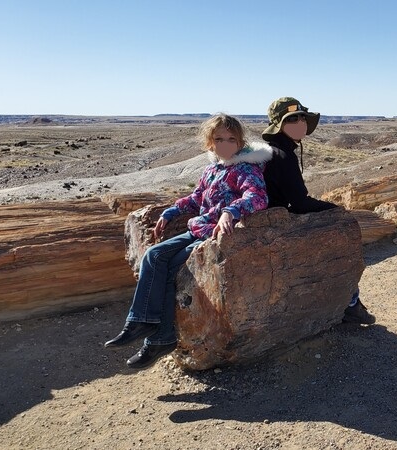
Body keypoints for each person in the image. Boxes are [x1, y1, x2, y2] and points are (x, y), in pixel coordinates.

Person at [104, 113, 272, 369]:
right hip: (198, 228)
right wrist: (171, 211)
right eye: (219, 139)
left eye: (231, 139)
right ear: (209, 143)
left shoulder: (246, 169)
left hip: (214, 235)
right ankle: (138, 322)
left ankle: (158, 340)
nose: (225, 144)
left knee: (173, 270)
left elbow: (257, 197)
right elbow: (196, 198)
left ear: (240, 142)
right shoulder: (212, 170)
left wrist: (231, 211)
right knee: (154, 255)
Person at [261, 97, 375, 325]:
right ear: (279, 124)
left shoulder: (274, 150)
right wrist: (336, 210)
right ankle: (351, 305)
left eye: (302, 117)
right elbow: (300, 203)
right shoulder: (283, 155)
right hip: (275, 223)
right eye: (292, 119)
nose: (300, 122)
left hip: (270, 218)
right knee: (339, 239)